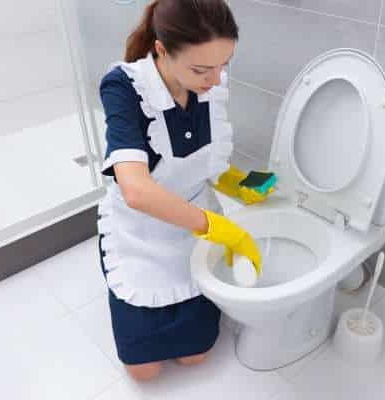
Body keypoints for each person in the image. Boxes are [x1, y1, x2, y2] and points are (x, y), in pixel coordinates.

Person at [96, 0, 264, 381]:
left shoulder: (210, 83)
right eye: (203, 68)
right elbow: (136, 190)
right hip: (139, 233)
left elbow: (204, 161)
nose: (217, 79)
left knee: (195, 358)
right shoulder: (123, 87)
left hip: (190, 231)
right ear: (161, 50)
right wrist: (221, 229)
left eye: (225, 63)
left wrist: (241, 184)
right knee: (144, 372)